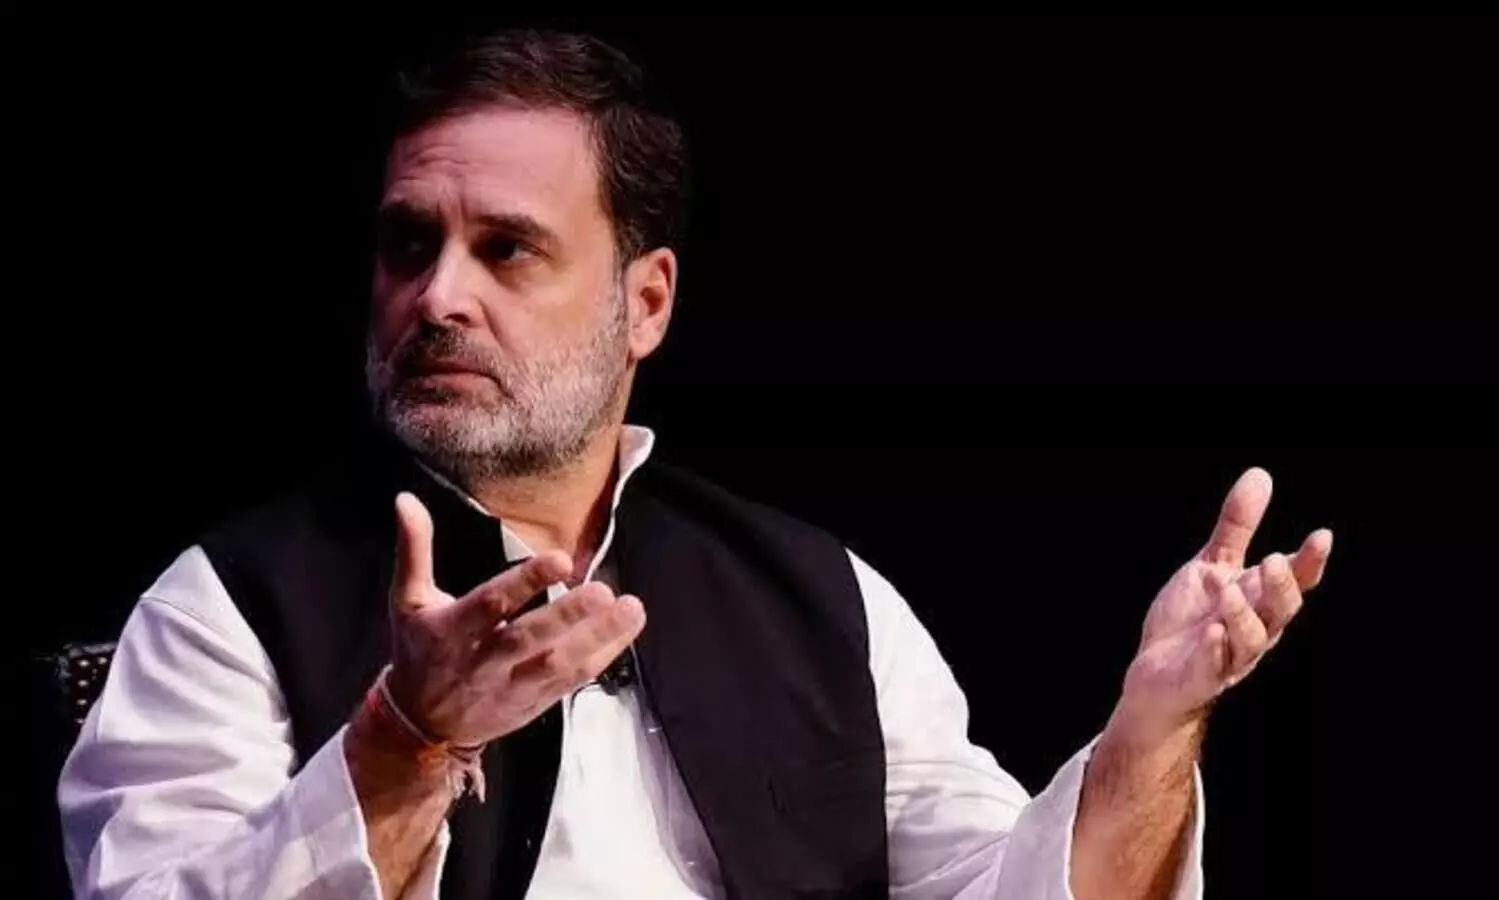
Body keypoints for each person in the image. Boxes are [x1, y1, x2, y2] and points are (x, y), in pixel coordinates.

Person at [57, 28, 1332, 900]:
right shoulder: (229, 603)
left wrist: (1151, 734)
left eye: (506, 250)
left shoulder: (818, 596)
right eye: (407, 245)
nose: (436, 297)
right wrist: (406, 742)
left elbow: (1003, 888)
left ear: (646, 302)